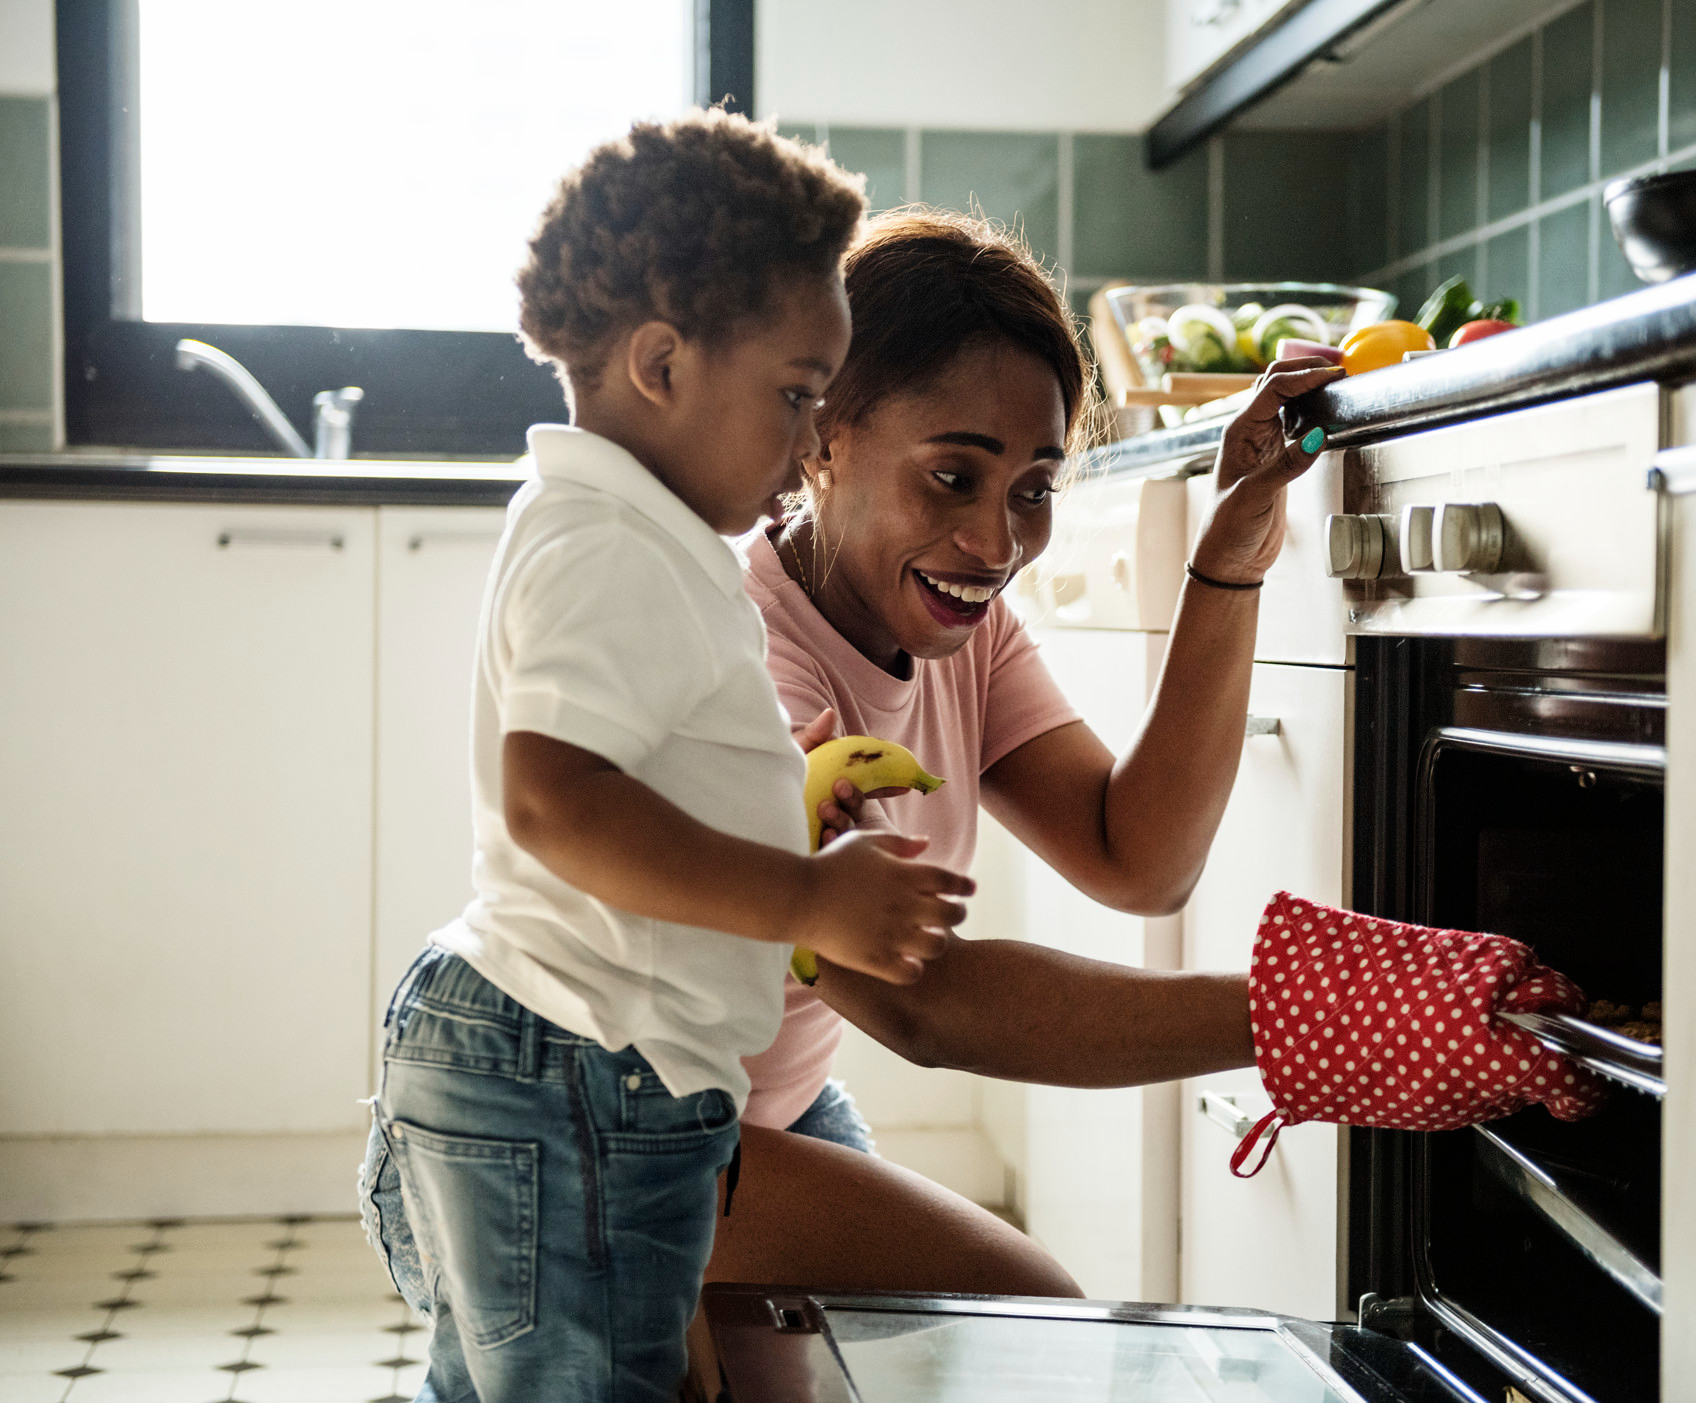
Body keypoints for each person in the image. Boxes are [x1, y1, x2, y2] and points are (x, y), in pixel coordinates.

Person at [358, 114, 976, 1403]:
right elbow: (556, 799)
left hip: (576, 1058)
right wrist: (805, 897)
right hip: (576, 1062)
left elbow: (642, 768)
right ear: (660, 363)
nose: (810, 439)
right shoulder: (612, 544)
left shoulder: (630, 532)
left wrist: (789, 804)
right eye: (796, 394)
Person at [701, 208, 1345, 1300]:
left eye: (1032, 489)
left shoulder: (961, 630)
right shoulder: (746, 662)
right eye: (952, 477)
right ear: (819, 437)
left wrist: (1230, 552)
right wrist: (1315, 1012)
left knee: (952, 1341)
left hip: (767, 1108)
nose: (997, 545)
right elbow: (923, 1004)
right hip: (589, 1124)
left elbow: (1138, 857)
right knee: (1027, 1309)